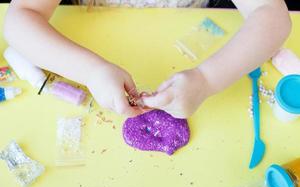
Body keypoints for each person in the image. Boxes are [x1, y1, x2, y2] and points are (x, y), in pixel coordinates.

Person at [3, 0, 291, 118]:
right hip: (92, 42)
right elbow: (19, 18)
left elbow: (273, 16)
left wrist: (207, 79)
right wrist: (90, 72)